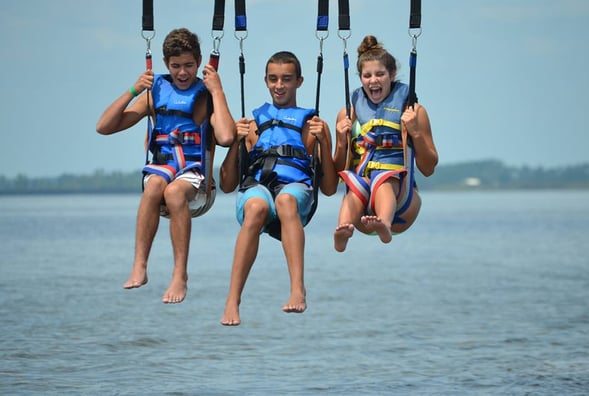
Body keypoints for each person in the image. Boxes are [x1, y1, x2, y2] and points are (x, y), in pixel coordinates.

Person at [96, 28, 236, 303]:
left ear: (198, 62)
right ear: (165, 64)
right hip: (161, 167)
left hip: (192, 171)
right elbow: (104, 126)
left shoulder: (205, 95)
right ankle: (140, 265)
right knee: (155, 188)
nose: (182, 73)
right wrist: (134, 89)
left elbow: (227, 136)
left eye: (188, 66)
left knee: (172, 193)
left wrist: (217, 91)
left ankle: (179, 274)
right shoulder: (155, 92)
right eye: (175, 67)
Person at [219, 51, 338, 326]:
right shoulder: (250, 126)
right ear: (265, 80)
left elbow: (330, 188)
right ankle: (232, 299)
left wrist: (325, 145)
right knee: (257, 206)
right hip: (257, 190)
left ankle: (298, 288)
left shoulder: (312, 125)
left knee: (285, 201)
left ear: (299, 81)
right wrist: (236, 144)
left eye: (286, 79)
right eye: (273, 79)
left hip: (295, 193)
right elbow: (226, 185)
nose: (279, 85)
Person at [333, 35, 438, 252]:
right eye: (367, 75)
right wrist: (342, 142)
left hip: (400, 194)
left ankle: (385, 225)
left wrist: (415, 132)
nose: (373, 80)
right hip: (363, 186)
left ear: (391, 75)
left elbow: (428, 169)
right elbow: (336, 173)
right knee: (353, 189)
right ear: (360, 78)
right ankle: (343, 231)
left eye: (380, 74)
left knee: (383, 183)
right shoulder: (348, 114)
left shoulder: (413, 111)